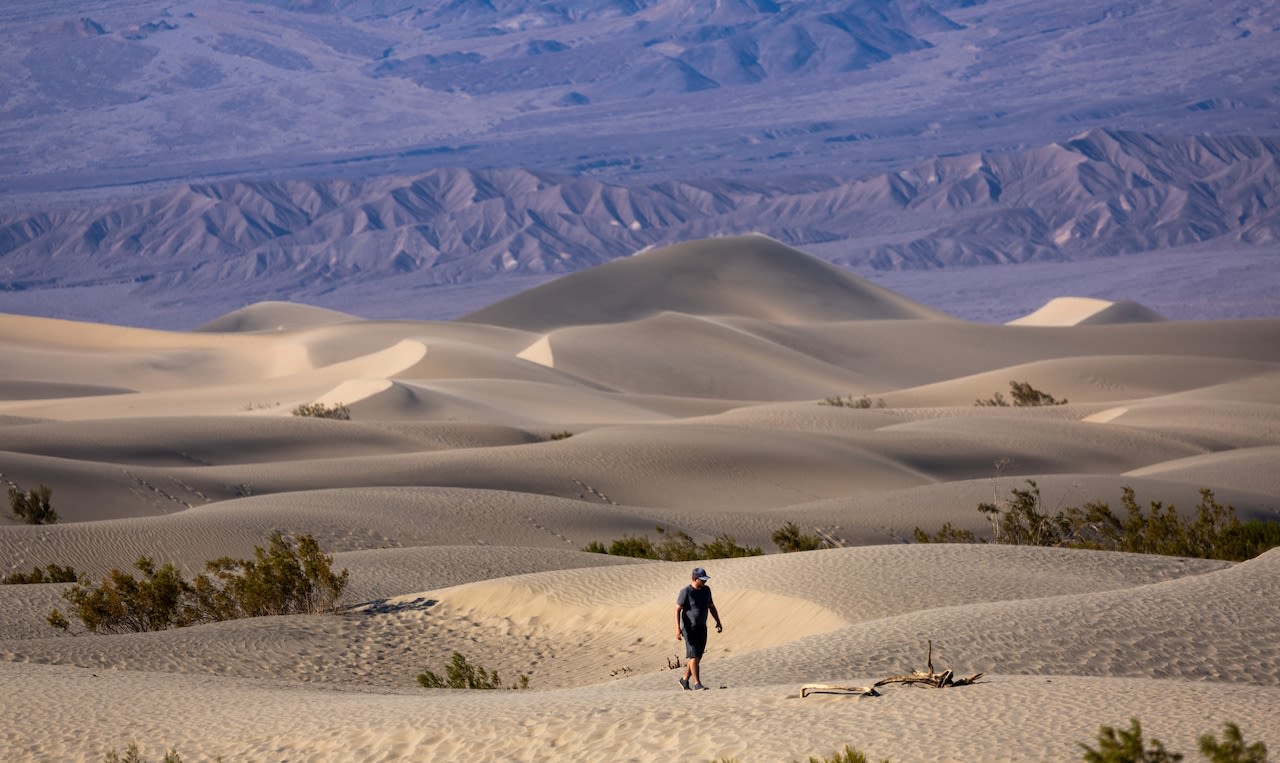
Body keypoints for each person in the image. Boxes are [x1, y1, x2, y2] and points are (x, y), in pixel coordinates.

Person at [675, 566, 722, 690]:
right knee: (694, 656)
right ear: (695, 579)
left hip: (702, 627)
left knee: (697, 657)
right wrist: (677, 628)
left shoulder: (707, 590)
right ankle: (697, 683)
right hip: (689, 628)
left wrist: (718, 621)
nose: (704, 582)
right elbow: (677, 609)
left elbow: (711, 607)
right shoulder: (686, 591)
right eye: (702, 580)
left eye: (705, 580)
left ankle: (684, 680)